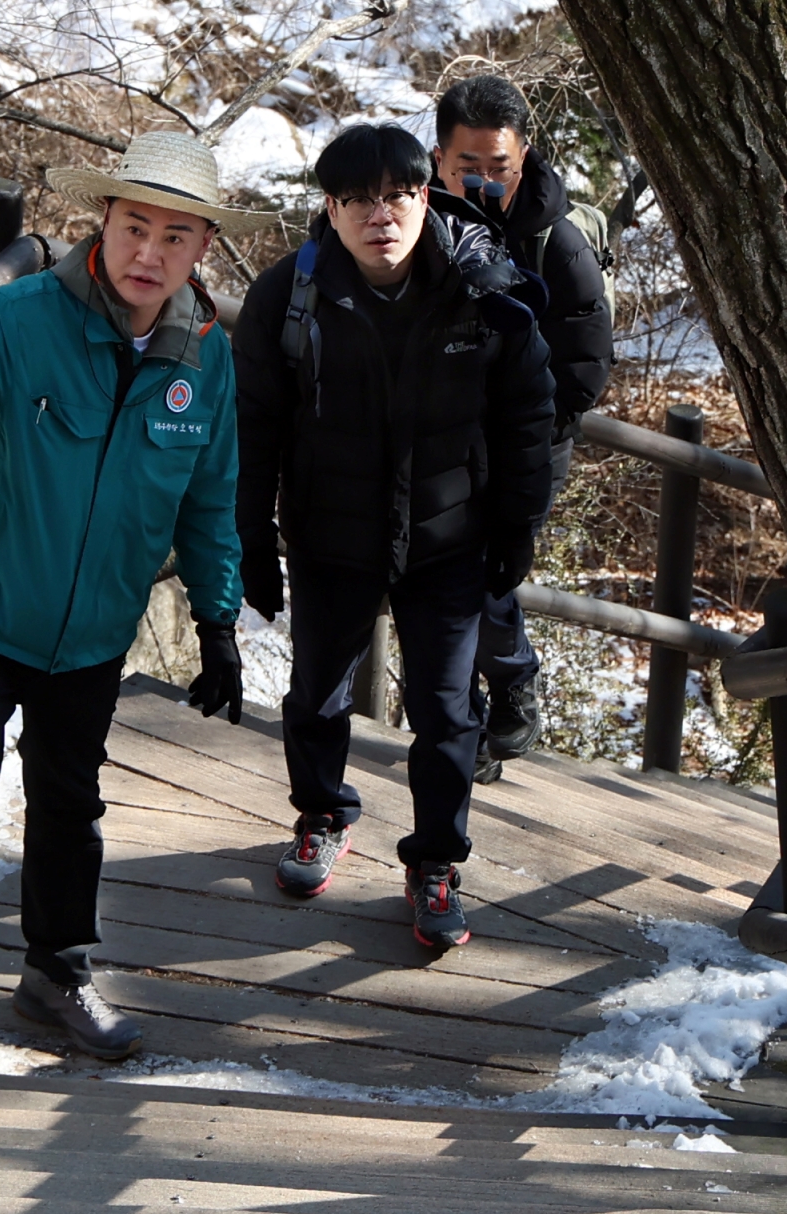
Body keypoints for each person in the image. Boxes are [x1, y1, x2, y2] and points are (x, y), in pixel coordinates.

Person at [0, 132, 275, 1081]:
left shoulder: (204, 361)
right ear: (105, 224)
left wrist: (217, 620)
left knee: (68, 810)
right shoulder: (19, 319)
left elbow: (211, 499)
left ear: (202, 247)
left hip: (90, 635)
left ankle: (55, 974)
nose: (147, 254)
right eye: (133, 227)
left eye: (174, 236)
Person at [232, 123, 555, 952]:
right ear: (330, 209)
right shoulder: (288, 297)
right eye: (360, 199)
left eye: (399, 194)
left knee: (448, 713)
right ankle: (321, 815)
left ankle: (437, 862)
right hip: (329, 533)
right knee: (316, 694)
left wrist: (518, 527)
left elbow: (528, 414)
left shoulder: (484, 287)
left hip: (450, 539)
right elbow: (254, 424)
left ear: (424, 196)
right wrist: (252, 536)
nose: (383, 214)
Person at [433, 75, 615, 777]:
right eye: (466, 167)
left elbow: (585, 366)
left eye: (498, 168)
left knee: (481, 576)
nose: (483, 181)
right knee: (437, 578)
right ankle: (468, 721)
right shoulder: (414, 221)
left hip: (526, 446)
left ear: (524, 156)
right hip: (440, 439)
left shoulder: (556, 242)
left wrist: (525, 426)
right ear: (439, 159)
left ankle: (505, 686)